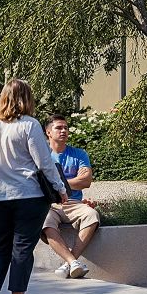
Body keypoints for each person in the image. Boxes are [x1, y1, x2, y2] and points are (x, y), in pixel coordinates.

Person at [0, 80, 68, 294]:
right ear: (27, 98)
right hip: (28, 195)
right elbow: (44, 162)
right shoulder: (29, 125)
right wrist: (60, 189)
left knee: (0, 247)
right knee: (22, 248)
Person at [39, 115, 101, 278]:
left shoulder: (79, 154)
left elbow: (86, 181)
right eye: (59, 128)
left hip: (74, 202)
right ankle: (72, 262)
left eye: (66, 128)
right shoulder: (41, 155)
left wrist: (55, 180)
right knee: (44, 221)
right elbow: (38, 183)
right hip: (51, 203)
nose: (64, 131)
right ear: (48, 132)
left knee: (91, 215)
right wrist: (74, 180)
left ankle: (70, 262)